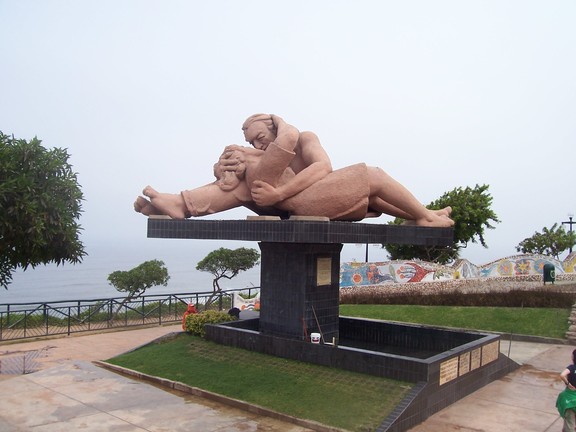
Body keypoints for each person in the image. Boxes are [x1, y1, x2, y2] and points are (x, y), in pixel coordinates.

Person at [135, 114, 454, 227]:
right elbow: (232, 183)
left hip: (312, 195)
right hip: (305, 202)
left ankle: (423, 214)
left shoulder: (302, 139)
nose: (259, 146)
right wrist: (223, 164)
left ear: (273, 128)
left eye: (260, 138)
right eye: (252, 142)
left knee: (372, 183)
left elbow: (323, 168)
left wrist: (279, 193)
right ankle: (181, 204)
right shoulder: (266, 159)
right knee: (372, 176)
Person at [557, 349, 576, 432]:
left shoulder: (571, 368)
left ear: (573, 357)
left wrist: (568, 384)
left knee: (570, 422)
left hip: (570, 400)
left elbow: (562, 375)